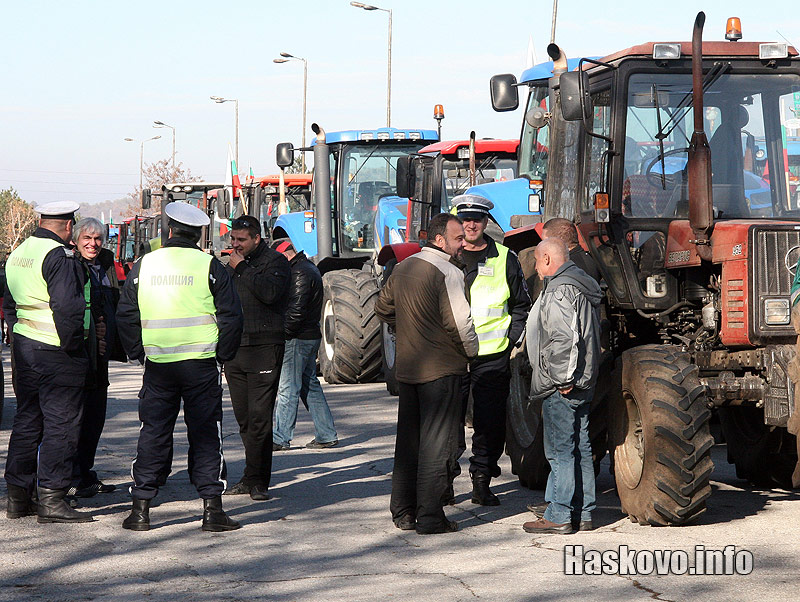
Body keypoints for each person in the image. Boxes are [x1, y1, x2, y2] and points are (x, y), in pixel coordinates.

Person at [117, 202, 243, 532]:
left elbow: (125, 314)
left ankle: (141, 510)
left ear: (169, 231)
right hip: (201, 365)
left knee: (154, 433)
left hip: (158, 365)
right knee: (205, 435)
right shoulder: (210, 266)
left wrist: (139, 353)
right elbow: (232, 316)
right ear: (199, 233)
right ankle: (212, 511)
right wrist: (222, 355)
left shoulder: (144, 265)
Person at [375, 213, 479, 535]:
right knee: (437, 444)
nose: (464, 243)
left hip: (409, 370)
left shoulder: (404, 267)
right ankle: (431, 517)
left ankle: (403, 511)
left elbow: (383, 307)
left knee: (408, 442)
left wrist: (406, 328)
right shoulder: (448, 271)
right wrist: (472, 352)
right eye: (458, 238)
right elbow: (460, 324)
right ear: (439, 240)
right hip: (441, 370)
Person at [4, 201, 93, 523]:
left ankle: (18, 496)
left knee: (28, 421)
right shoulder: (60, 256)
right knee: (61, 425)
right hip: (57, 351)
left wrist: (20, 337)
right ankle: (52, 499)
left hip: (26, 347)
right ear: (69, 226)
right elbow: (69, 310)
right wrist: (73, 349)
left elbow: (11, 303)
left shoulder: (21, 251)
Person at [449, 195, 531, 506]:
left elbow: (521, 304)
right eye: (466, 218)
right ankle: (445, 479)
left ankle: (482, 481)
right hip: (453, 355)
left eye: (478, 219)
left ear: (486, 222)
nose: (471, 224)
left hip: (491, 356)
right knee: (447, 422)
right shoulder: (448, 257)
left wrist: (511, 339)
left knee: (490, 424)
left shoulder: (504, 258)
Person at [521, 237, 602, 534]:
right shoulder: (582, 283)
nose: (535, 268)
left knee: (559, 451)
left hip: (564, 384)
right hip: (584, 379)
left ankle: (558, 515)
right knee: (580, 446)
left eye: (535, 261)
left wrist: (562, 379)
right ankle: (585, 511)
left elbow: (563, 339)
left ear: (545, 259)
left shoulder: (559, 289)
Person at [222, 216, 291, 501]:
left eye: (241, 240)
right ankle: (250, 476)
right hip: (236, 349)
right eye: (233, 239)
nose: (234, 245)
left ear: (256, 239)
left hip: (264, 348)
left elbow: (270, 294)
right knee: (245, 419)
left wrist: (242, 268)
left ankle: (259, 480)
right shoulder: (230, 267)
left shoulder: (275, 263)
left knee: (260, 417)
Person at [69, 217, 125, 499]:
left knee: (94, 418)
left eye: (98, 239)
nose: (93, 244)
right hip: (79, 354)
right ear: (75, 241)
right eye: (87, 239)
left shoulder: (105, 263)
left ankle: (85, 474)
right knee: (75, 420)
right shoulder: (70, 265)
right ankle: (70, 477)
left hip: (100, 356)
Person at [270, 239, 338, 451]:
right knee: (309, 386)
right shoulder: (307, 268)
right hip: (307, 335)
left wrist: (283, 334)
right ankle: (326, 434)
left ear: (284, 255)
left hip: (297, 338)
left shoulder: (299, 272)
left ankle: (280, 438)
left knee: (288, 387)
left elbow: (296, 312)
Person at [541, 218, 602, 283]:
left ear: (558, 241)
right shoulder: (589, 260)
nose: (542, 246)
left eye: (545, 241)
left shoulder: (565, 268)